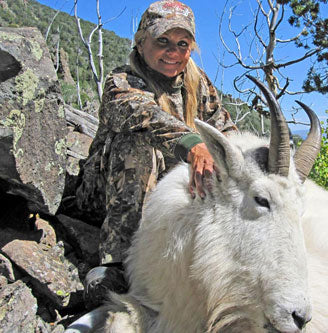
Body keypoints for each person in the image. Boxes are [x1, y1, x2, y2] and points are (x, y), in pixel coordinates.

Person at [74, 0, 237, 308]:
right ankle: (116, 264)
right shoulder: (121, 80)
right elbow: (141, 113)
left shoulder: (198, 83)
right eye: (162, 41)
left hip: (163, 204)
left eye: (182, 44)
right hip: (104, 200)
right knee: (137, 143)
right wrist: (193, 144)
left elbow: (225, 129)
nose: (173, 52)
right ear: (141, 41)